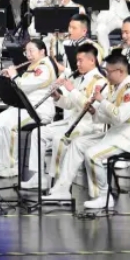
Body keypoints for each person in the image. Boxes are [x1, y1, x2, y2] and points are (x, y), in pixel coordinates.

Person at [77, 53, 130, 209]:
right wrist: (94, 112)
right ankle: (77, 186)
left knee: (92, 155)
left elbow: (119, 116)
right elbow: (110, 117)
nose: (106, 75)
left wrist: (102, 100)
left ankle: (104, 196)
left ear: (120, 71)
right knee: (79, 143)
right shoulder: (117, 88)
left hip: (128, 140)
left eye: (108, 72)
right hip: (116, 135)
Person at [39, 43, 109, 198]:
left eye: (80, 60)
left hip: (90, 126)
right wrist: (58, 97)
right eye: (77, 60)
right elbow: (70, 104)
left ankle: (58, 184)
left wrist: (72, 90)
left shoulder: (100, 81)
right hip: (74, 122)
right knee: (40, 132)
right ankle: (39, 178)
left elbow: (91, 108)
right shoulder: (81, 79)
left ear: (92, 61)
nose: (77, 64)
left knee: (60, 139)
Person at [0, 39, 56, 179]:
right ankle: (0, 162)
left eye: (31, 51)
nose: (28, 54)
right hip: (26, 106)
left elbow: (25, 85)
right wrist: (9, 78)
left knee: (11, 126)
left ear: (42, 51)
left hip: (39, 110)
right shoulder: (33, 65)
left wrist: (14, 76)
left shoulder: (44, 67)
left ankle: (14, 166)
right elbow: (20, 86)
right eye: (26, 52)